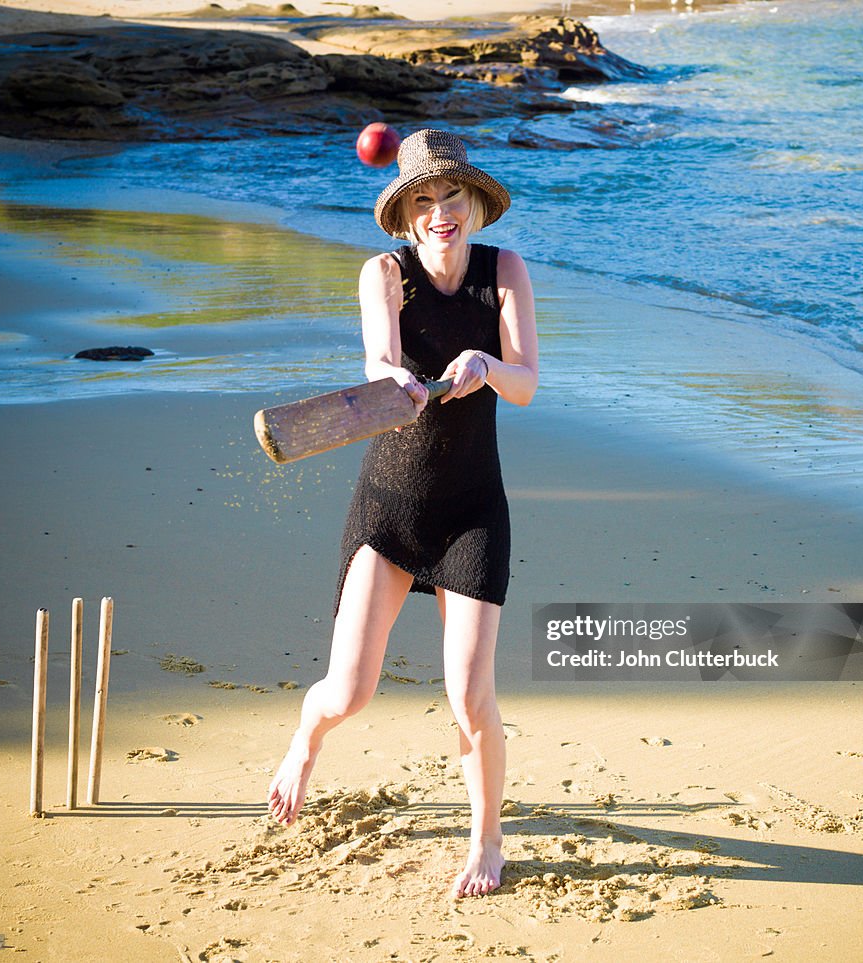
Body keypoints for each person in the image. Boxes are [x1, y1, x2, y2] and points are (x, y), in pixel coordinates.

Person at [268, 129, 538, 898]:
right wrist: (401, 385)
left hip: (472, 512)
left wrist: (486, 367)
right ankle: (303, 743)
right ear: (406, 213)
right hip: (390, 506)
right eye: (422, 199)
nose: (438, 212)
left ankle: (487, 838)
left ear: (474, 202)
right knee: (348, 691)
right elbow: (377, 362)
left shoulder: (504, 271)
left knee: (469, 695)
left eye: (450, 195)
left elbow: (528, 382)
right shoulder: (383, 273)